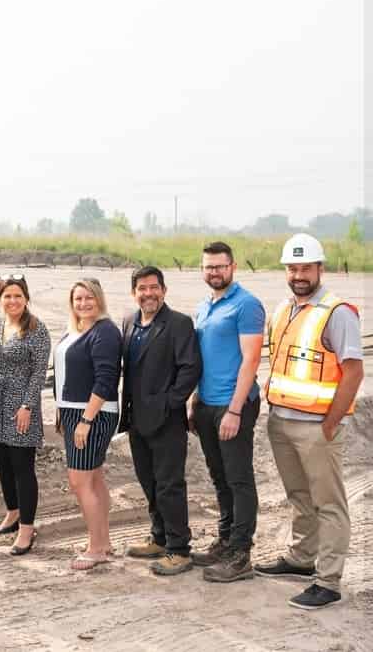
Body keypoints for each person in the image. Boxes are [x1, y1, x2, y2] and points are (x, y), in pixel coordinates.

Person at [254, 234, 363, 610]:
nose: (298, 275)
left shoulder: (338, 312)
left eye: (305, 268)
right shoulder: (283, 310)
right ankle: (302, 560)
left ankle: (329, 580)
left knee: (328, 502)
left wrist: (331, 422)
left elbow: (353, 372)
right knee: (299, 496)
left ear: (320, 268)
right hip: (282, 420)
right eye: (292, 268)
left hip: (317, 426)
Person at [191, 241, 266, 583]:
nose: (214, 272)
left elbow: (251, 359)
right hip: (206, 404)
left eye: (220, 266)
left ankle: (240, 554)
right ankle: (225, 540)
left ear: (233, 266)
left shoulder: (247, 305)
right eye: (209, 267)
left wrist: (234, 411)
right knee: (219, 476)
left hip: (234, 405)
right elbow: (202, 359)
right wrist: (195, 401)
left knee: (238, 478)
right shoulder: (203, 307)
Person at [120, 267, 201, 575]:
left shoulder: (179, 323)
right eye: (142, 288)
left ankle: (179, 550)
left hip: (167, 421)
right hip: (136, 419)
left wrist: (169, 403)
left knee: (169, 485)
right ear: (134, 293)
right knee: (148, 482)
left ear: (163, 291)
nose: (148, 293)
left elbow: (190, 368)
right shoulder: (129, 322)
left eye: (154, 287)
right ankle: (159, 537)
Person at [0, 273, 51, 556]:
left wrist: (27, 407)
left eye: (17, 296)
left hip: (22, 404)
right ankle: (12, 513)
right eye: (7, 296)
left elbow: (39, 372)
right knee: (3, 464)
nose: (12, 301)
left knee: (22, 468)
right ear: (0, 300)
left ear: (26, 298)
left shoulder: (36, 328)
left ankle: (27, 528)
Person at [54, 278, 122, 571]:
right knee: (92, 479)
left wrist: (85, 420)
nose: (83, 303)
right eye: (78, 299)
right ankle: (103, 542)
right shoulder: (77, 330)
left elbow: (106, 379)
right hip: (73, 412)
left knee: (80, 482)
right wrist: (62, 412)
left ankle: (95, 549)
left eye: (88, 298)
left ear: (99, 299)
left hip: (92, 413)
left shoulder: (105, 331)